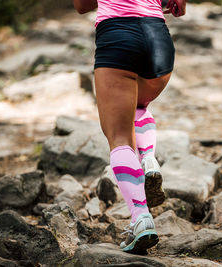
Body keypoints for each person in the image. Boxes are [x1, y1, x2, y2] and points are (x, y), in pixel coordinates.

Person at [73, 0, 186, 254]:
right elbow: (178, 5)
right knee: (136, 104)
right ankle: (147, 159)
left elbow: (81, 5)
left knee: (119, 138)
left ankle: (140, 219)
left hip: (118, 36)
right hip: (158, 37)